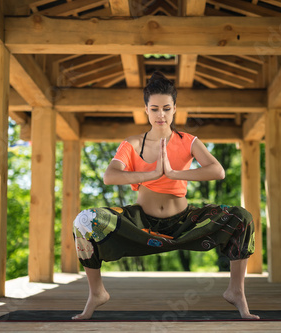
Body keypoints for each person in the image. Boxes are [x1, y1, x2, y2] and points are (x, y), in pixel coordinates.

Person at [72, 71, 258, 320]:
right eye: (155, 108)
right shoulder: (134, 143)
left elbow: (218, 170)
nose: (161, 114)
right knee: (83, 221)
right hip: (141, 225)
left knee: (242, 217)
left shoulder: (188, 141)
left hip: (185, 222)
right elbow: (110, 176)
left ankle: (236, 291)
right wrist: (151, 175)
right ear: (146, 109)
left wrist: (173, 172)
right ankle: (97, 293)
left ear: (174, 110)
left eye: (166, 108)